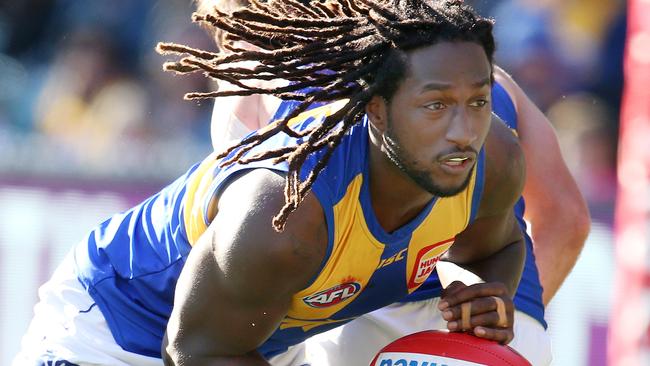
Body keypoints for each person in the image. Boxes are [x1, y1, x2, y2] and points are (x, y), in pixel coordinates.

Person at [15, 1, 527, 365]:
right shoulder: (289, 211)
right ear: (376, 107)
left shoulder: (491, 160)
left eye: (478, 101)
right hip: (118, 330)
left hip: (249, 343)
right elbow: (194, 350)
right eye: (435, 105)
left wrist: (486, 291)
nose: (464, 131)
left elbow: (497, 245)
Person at [197, 2, 591, 365]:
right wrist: (496, 306)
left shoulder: (260, 71)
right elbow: (568, 218)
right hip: (507, 329)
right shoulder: (484, 76)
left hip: (356, 313)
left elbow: (256, 236)